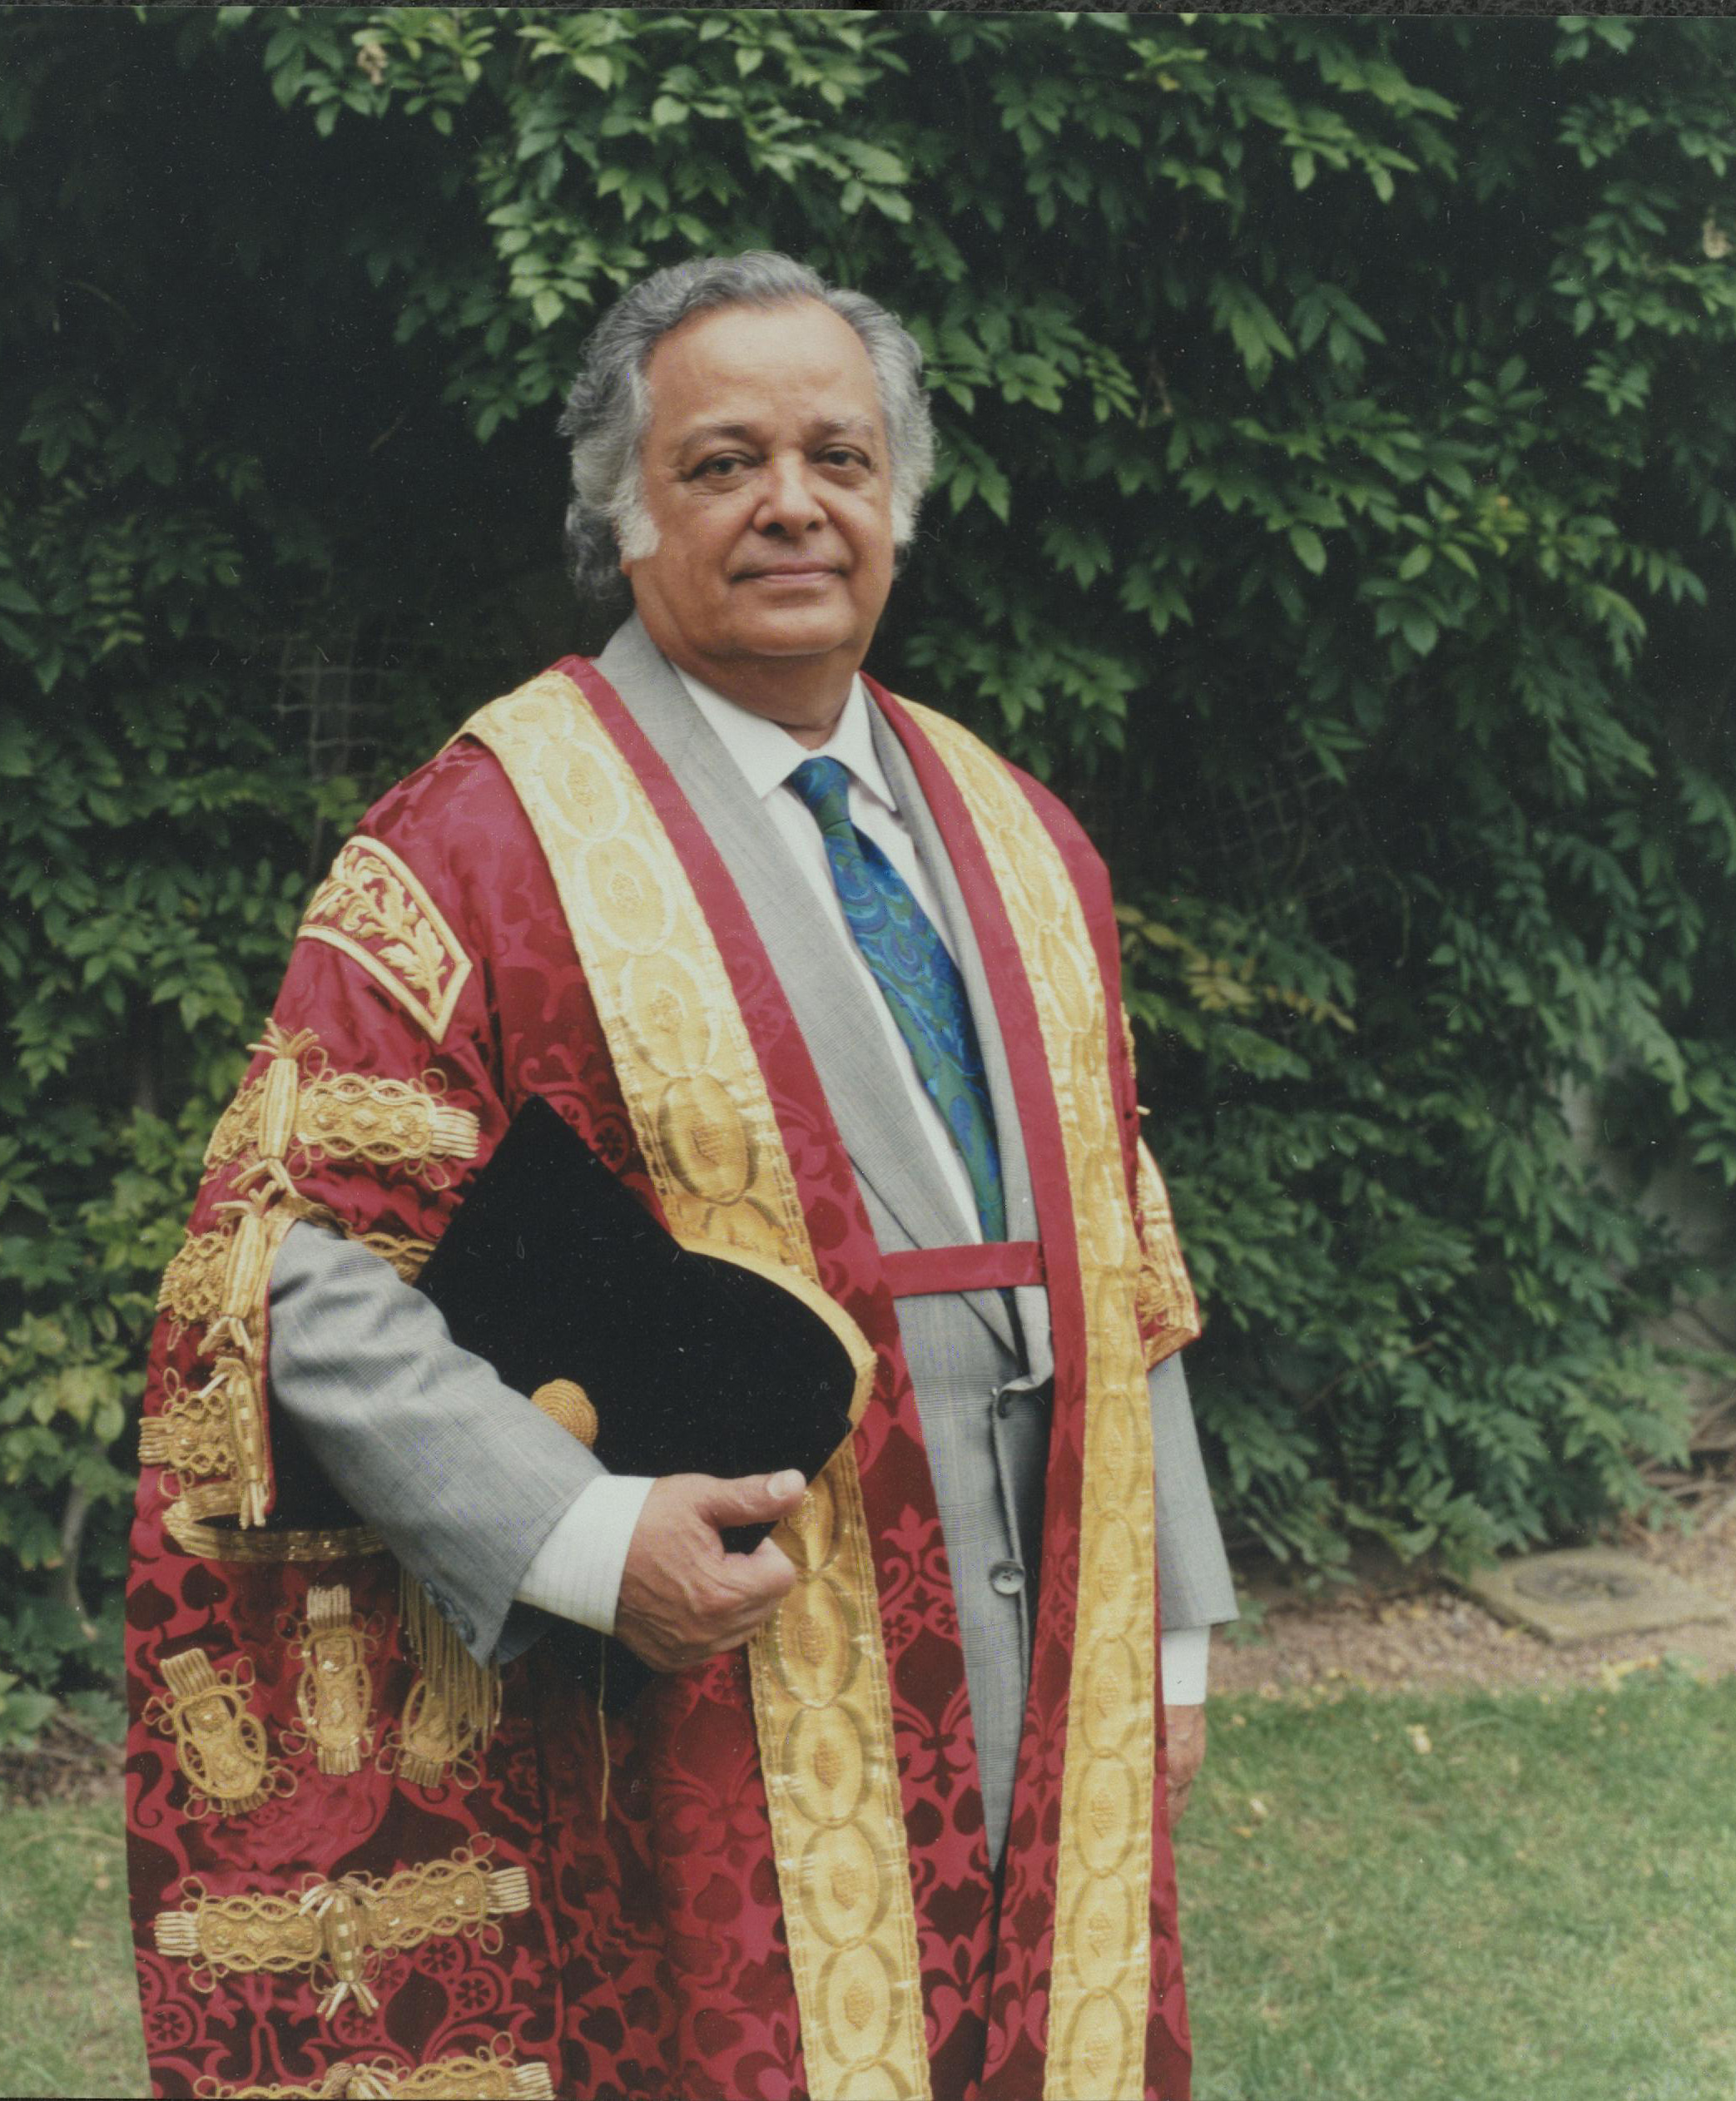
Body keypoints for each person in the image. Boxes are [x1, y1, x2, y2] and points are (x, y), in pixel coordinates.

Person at [125, 251, 1237, 2101]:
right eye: (724, 462)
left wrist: (1175, 1630)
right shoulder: (481, 838)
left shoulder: (1026, 831)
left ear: (899, 502)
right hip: (709, 1674)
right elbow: (285, 1265)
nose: (794, 504)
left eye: (840, 457)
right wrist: (576, 1540)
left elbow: (1124, 1245)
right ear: (623, 517)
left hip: (1050, 1636)